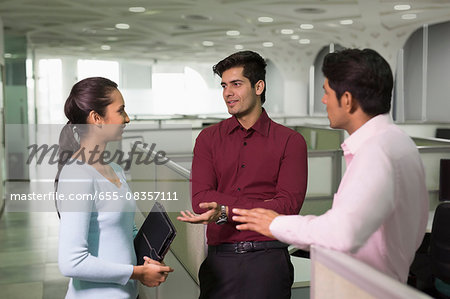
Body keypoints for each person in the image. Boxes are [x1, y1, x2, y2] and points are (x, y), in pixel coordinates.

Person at [233, 48, 429, 283]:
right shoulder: (399, 141)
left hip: (365, 289)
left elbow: (342, 233)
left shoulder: (376, 152)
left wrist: (274, 223)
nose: (323, 100)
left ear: (346, 100)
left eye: (326, 93)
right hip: (385, 281)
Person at [177, 51, 308, 298]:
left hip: (268, 260)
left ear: (259, 86)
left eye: (236, 84)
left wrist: (226, 211)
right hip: (220, 261)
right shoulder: (208, 139)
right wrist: (264, 206)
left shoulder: (291, 141)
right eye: (224, 85)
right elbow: (201, 201)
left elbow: (288, 207)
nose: (227, 93)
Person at [56, 77, 173, 298]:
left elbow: (125, 230)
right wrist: (138, 273)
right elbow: (71, 262)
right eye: (121, 111)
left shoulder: (116, 169)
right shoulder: (77, 174)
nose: (127, 119)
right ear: (96, 118)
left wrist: (148, 258)